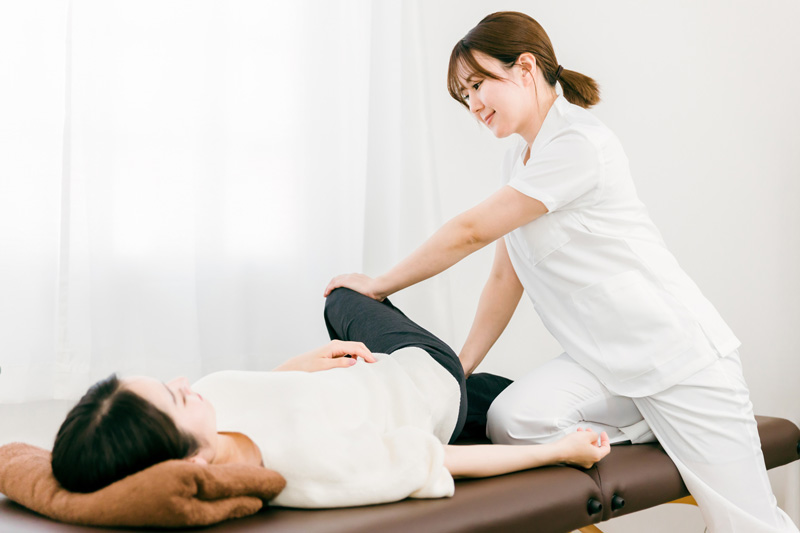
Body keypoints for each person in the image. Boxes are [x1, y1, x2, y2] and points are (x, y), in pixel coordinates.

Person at [324, 11, 798, 532]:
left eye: (478, 84)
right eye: (464, 95)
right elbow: (505, 279)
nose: (473, 104)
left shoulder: (578, 144)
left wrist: (380, 284)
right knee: (513, 421)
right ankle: (651, 422)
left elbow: (470, 231)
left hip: (679, 360)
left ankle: (670, 423)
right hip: (605, 363)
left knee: (747, 525)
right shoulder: (518, 161)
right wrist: (460, 369)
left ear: (526, 68)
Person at [50, 288, 609, 508]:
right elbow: (440, 460)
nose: (182, 382)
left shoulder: (209, 401)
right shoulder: (310, 468)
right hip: (426, 376)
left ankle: (488, 395)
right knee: (342, 295)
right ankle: (468, 388)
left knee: (498, 400)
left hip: (362, 377)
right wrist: (559, 452)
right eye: (175, 399)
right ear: (190, 462)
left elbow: (266, 391)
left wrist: (308, 362)